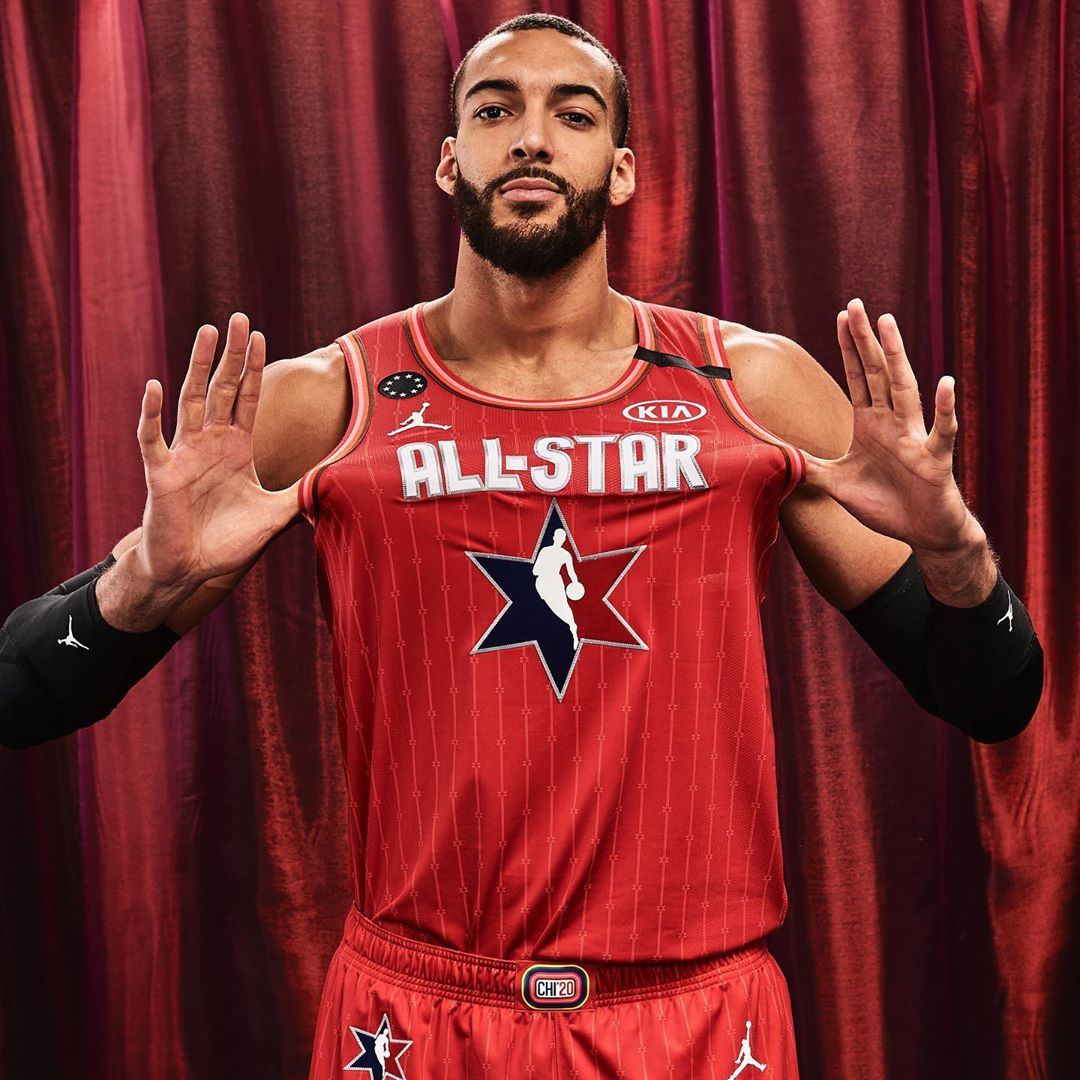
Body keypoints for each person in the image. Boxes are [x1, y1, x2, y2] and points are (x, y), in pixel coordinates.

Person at [0, 13, 1043, 1078]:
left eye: (574, 115)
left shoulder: (751, 387)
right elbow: (20, 694)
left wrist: (957, 554)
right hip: (418, 1020)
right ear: (451, 159)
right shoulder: (328, 400)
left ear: (622, 170)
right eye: (496, 109)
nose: (532, 137)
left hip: (693, 1020)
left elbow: (992, 698)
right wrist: (146, 582)